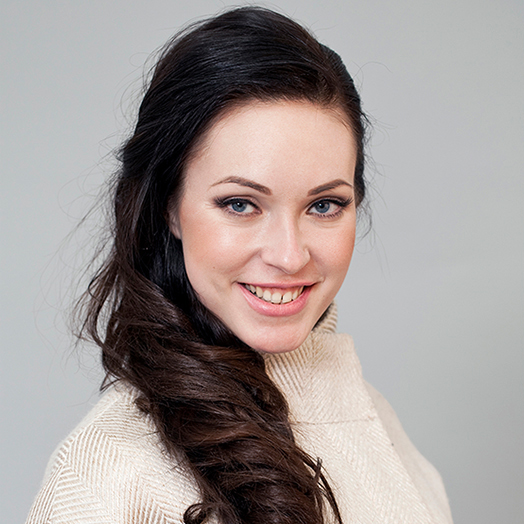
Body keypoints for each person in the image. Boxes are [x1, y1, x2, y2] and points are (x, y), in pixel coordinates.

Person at [26, 6, 453, 524]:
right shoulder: (108, 477)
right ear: (169, 207)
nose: (289, 255)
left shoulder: (378, 423)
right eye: (240, 204)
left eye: (324, 205)